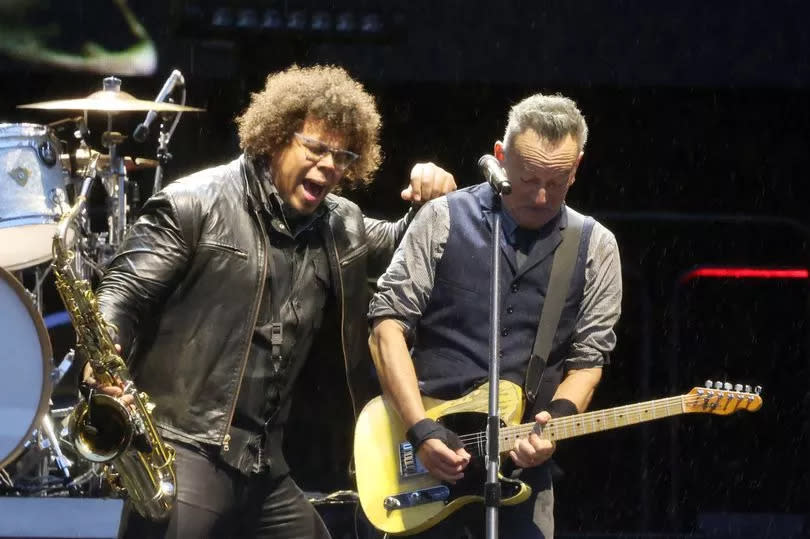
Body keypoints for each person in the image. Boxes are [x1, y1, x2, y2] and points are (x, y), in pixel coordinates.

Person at [83, 64, 456, 538]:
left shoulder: (342, 224)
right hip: (185, 445)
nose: (329, 166)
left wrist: (432, 198)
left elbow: (410, 247)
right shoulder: (195, 203)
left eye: (342, 156)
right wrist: (103, 359)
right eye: (316, 148)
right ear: (276, 136)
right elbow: (121, 293)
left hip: (263, 463)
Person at [367, 93, 622, 538]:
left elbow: (588, 362)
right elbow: (386, 326)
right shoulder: (442, 218)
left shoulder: (596, 247)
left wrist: (552, 428)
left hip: (521, 478)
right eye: (528, 179)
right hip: (419, 459)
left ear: (578, 167)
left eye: (558, 181)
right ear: (501, 156)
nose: (541, 196)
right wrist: (420, 429)